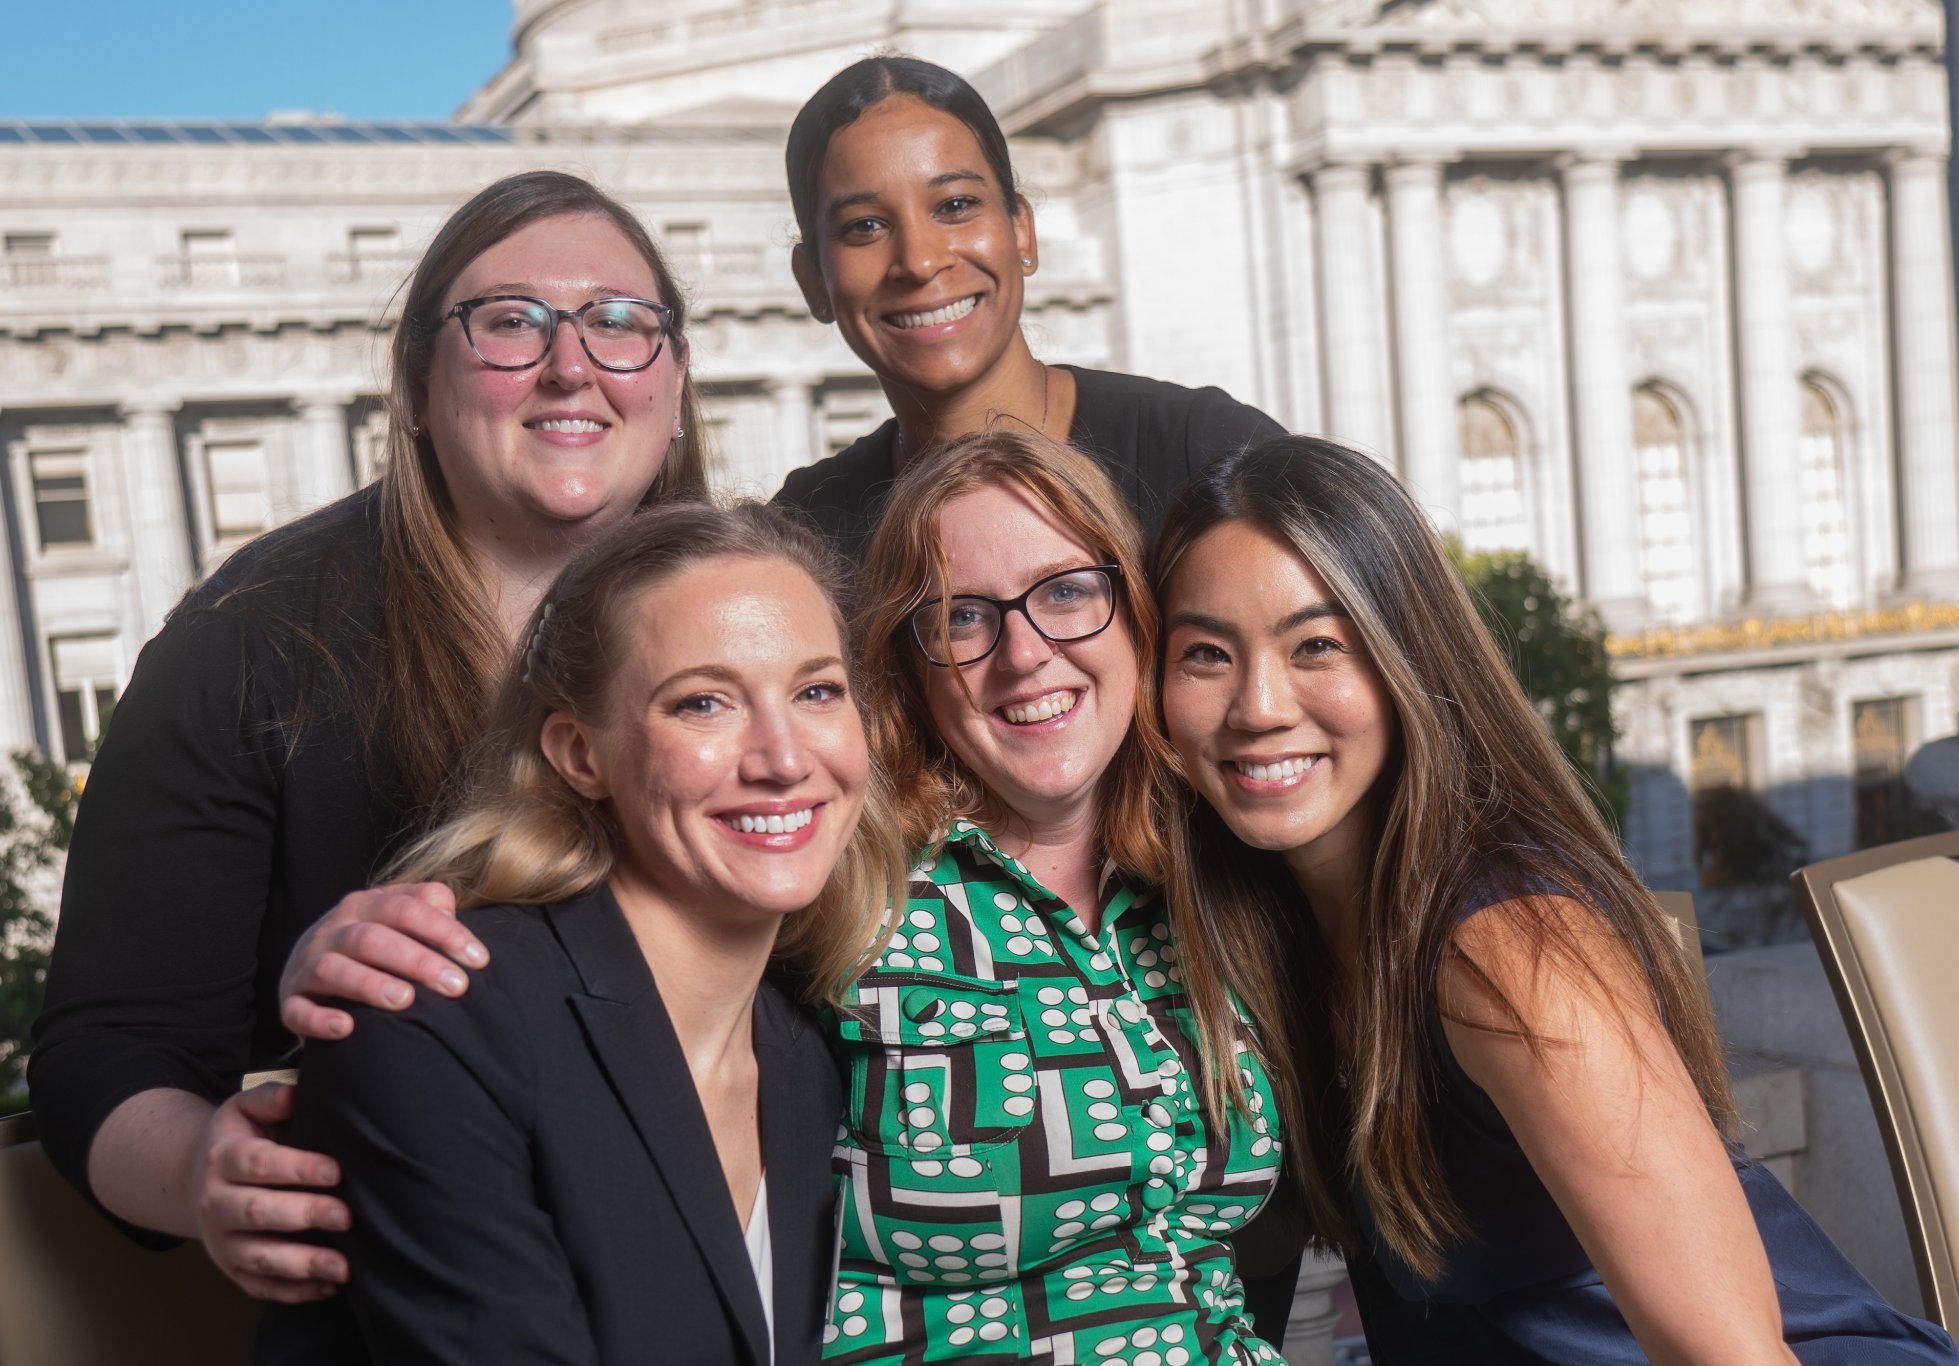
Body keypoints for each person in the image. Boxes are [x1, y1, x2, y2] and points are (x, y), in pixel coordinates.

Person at [29, 169, 710, 1300]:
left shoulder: (764, 612)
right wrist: (207, 1169)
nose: (570, 363)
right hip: (421, 1291)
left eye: (620, 322)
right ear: (415, 387)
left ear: (675, 383)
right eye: (508, 323)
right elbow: (105, 1051)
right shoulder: (246, 643)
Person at [1150, 436, 1959, 1364]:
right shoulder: (1262, 933)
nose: (1258, 705)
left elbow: (1732, 1355)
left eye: (1318, 646)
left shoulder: (1505, 949)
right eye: (1207, 653)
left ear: (1407, 662)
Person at [257, 501, 901, 1365]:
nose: (784, 759)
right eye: (703, 703)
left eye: (817, 691)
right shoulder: (429, 1023)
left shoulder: (813, 1061)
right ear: (579, 754)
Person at [823, 429, 1287, 1362]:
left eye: (1067, 592)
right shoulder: (837, 892)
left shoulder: (1209, 876)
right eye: (961, 617)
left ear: (1137, 618)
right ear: (909, 664)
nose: (1026, 653)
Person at [774, 55, 1282, 563]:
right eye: (864, 226)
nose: (920, 261)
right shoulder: (804, 535)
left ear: (1023, 231)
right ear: (813, 280)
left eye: (954, 206)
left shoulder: (1209, 455)